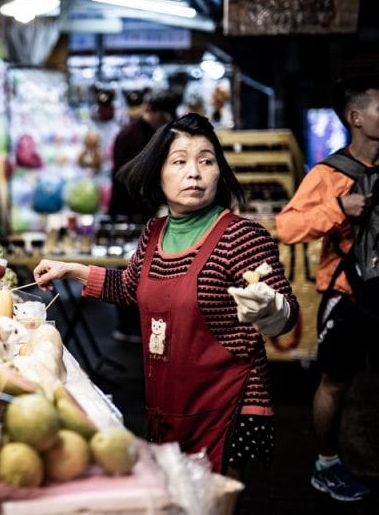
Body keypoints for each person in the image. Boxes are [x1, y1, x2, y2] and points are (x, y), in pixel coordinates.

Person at [34, 113, 299, 476]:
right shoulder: (155, 232)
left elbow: (285, 316)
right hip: (167, 403)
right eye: (180, 161)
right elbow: (131, 287)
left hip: (226, 406)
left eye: (206, 161)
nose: (195, 172)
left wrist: (272, 309)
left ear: (219, 171)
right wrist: (73, 269)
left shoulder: (242, 237)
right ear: (159, 173)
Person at [275, 75, 378, 502]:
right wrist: (339, 208)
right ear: (356, 118)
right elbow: (287, 227)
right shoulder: (330, 174)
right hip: (347, 297)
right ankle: (326, 463)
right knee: (335, 382)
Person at [108, 89, 180, 344]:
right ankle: (125, 326)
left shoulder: (157, 133)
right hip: (125, 211)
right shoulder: (130, 135)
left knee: (144, 270)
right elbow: (124, 176)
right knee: (126, 268)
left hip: (146, 211)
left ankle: (138, 324)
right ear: (154, 111)